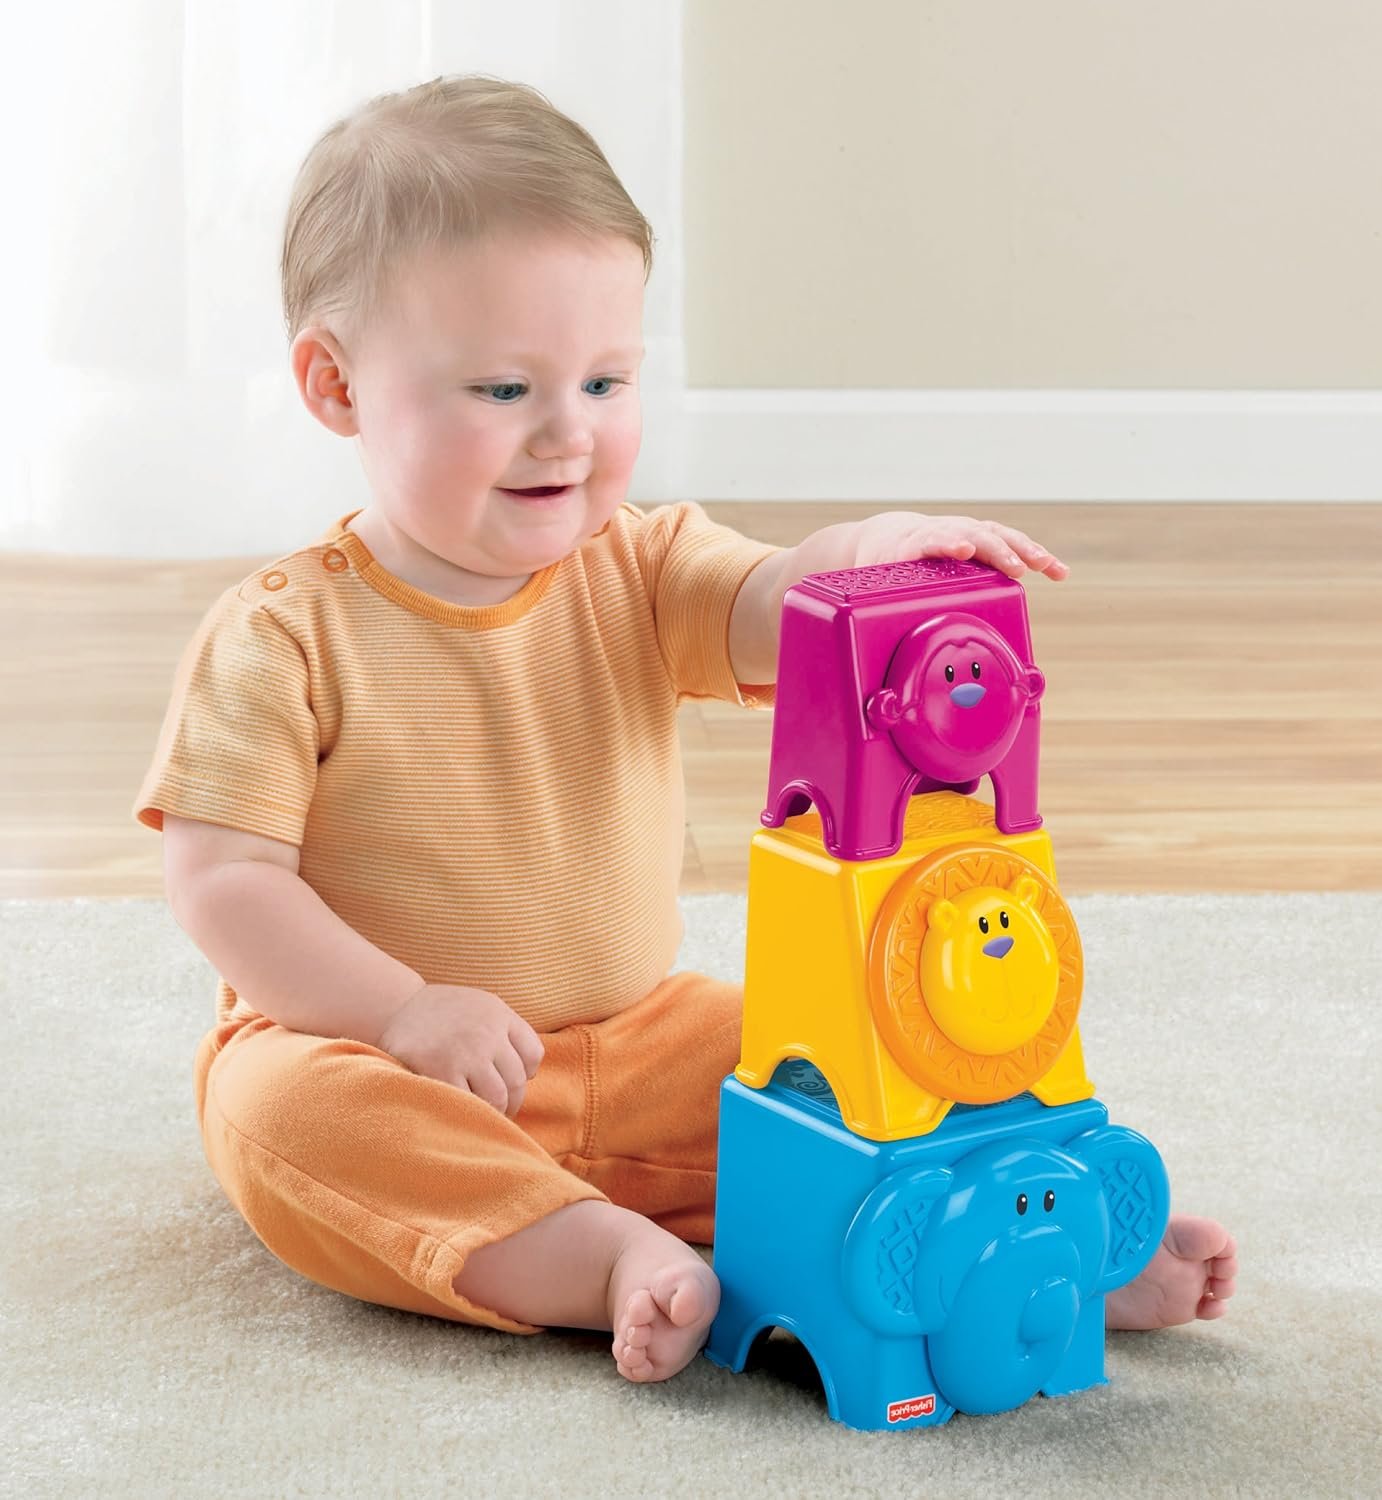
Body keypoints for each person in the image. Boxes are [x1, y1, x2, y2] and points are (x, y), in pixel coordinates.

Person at [135, 74, 1237, 1386]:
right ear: (335, 385)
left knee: (834, 1051)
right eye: (504, 388)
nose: (569, 432)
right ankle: (600, 1256)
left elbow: (784, 606)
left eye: (607, 380)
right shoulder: (281, 634)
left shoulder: (640, 564)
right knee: (286, 1116)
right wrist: (404, 1010)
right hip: (381, 1053)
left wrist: (872, 554)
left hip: (640, 1037)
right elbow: (225, 882)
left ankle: (1033, 1243)